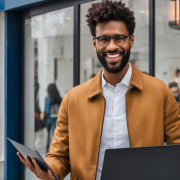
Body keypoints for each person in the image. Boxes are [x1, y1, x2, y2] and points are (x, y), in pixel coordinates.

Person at [17, 1, 180, 180]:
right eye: (104, 39)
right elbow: (59, 156)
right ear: (95, 43)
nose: (111, 47)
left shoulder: (159, 92)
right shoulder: (73, 99)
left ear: (131, 40)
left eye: (119, 38)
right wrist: (50, 172)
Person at [42, 84, 62, 153]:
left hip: (49, 119)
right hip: (57, 120)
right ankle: (55, 151)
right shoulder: (59, 99)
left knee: (48, 136)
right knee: (56, 137)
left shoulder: (47, 99)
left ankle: (48, 150)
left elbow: (46, 110)